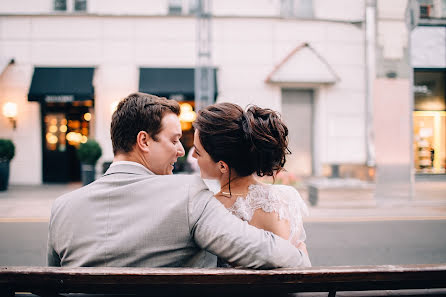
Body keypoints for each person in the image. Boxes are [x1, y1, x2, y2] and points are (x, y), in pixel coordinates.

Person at [47, 92, 308, 269]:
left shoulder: (62, 208)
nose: (182, 151)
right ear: (144, 141)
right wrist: (299, 253)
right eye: (174, 140)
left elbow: (50, 284)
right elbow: (269, 253)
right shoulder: (188, 194)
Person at [192, 103, 311, 266]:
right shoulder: (289, 197)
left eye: (198, 152)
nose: (192, 155)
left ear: (222, 166)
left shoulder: (213, 208)